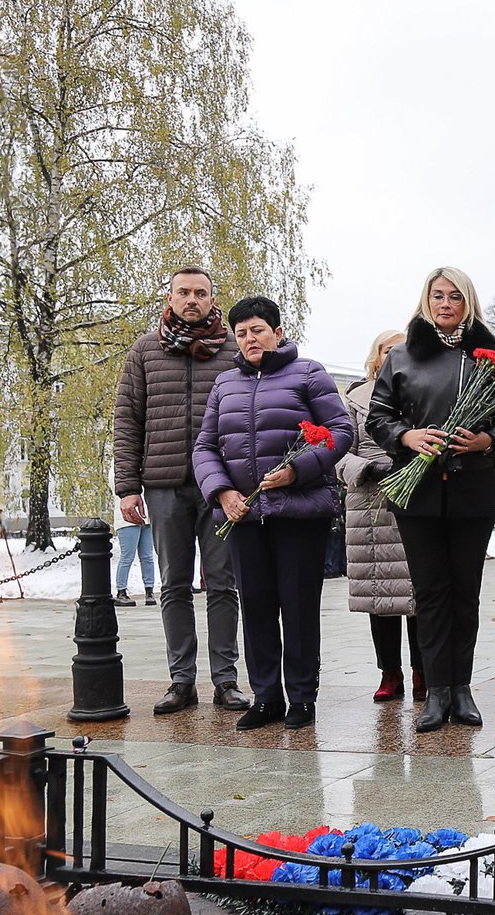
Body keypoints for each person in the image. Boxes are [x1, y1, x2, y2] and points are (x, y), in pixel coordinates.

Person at [368, 267, 495, 732]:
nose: (445, 303)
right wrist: (407, 436)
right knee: (431, 593)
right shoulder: (402, 356)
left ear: (468, 302)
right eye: (437, 295)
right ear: (426, 301)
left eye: (455, 296)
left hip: (472, 490)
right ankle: (436, 692)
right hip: (416, 494)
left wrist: (487, 443)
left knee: (466, 594)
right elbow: (378, 417)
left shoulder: (488, 357)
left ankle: (463, 688)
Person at [194, 295, 352, 731]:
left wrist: (296, 471)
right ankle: (266, 697)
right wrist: (222, 493)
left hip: (299, 512)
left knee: (299, 608)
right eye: (241, 333)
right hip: (244, 515)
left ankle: (302, 698)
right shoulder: (225, 384)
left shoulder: (308, 373)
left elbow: (340, 431)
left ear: (277, 332)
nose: (249, 339)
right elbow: (205, 447)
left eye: (257, 330)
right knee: (257, 608)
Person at [114, 266, 245, 716]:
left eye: (201, 293)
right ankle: (181, 681)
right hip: (164, 483)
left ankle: (226, 681)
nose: (192, 299)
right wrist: (128, 487)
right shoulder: (145, 351)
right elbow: (128, 420)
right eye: (183, 292)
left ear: (213, 299)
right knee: (172, 584)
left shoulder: (234, 350)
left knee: (223, 584)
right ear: (169, 297)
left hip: (221, 487)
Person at [337, 329, 425, 705]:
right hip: (369, 504)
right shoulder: (354, 398)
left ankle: (423, 671)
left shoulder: (422, 390)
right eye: (389, 350)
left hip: (413, 499)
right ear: (376, 356)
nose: (396, 355)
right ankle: (390, 672)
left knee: (419, 595)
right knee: (380, 593)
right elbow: (338, 450)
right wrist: (367, 470)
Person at [111, 468, 157, 607]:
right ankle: (121, 591)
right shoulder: (118, 465)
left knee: (147, 556)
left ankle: (149, 591)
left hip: (147, 516)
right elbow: (119, 487)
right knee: (127, 556)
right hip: (127, 519)